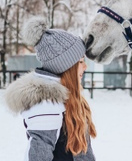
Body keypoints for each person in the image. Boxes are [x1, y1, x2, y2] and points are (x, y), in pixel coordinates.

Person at [5, 17, 97, 161]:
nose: (85, 67)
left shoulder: (68, 97)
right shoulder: (47, 105)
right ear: (66, 67)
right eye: (80, 62)